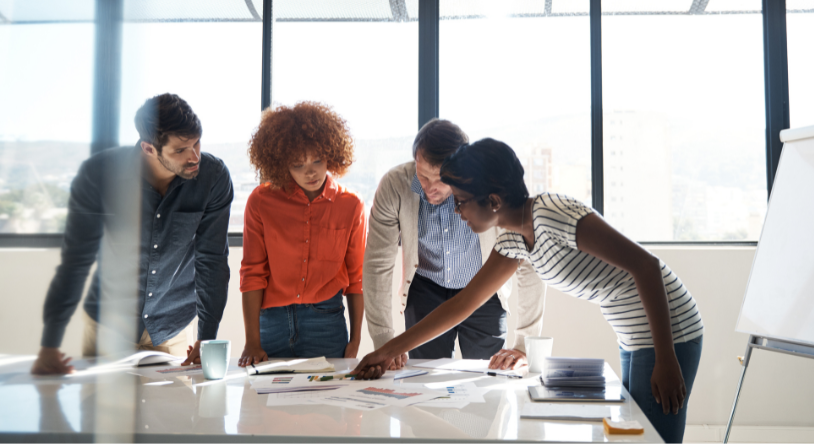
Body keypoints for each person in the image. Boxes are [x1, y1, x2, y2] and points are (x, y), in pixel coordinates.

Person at [354, 138, 703, 443]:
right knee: (635, 434)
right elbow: (464, 303)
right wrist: (388, 350)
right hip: (634, 334)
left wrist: (666, 356)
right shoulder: (513, 236)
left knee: (653, 439)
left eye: (460, 201)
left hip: (668, 331)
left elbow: (646, 266)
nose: (456, 211)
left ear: (492, 200)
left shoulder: (554, 215)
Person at [32, 93, 234, 375]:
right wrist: (50, 345)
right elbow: (76, 260)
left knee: (176, 416)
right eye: (181, 150)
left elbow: (212, 261)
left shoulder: (213, 177)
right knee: (102, 419)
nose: (194, 156)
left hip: (172, 329)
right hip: (108, 328)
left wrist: (207, 337)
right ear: (148, 149)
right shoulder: (99, 174)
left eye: (197, 143)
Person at [363, 119, 546, 369]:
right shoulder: (395, 185)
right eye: (422, 175)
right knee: (422, 381)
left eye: (439, 179)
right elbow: (377, 265)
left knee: (487, 383)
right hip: (425, 289)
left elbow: (528, 263)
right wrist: (384, 339)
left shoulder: (490, 192)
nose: (429, 188)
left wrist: (524, 343)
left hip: (483, 290)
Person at [237, 101, 366, 366]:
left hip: (326, 323)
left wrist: (355, 338)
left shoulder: (350, 205)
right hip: (271, 322)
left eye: (317, 160)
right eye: (298, 164)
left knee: (328, 404)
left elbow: (357, 278)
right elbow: (252, 272)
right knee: (265, 405)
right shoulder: (261, 201)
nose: (310, 172)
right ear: (281, 164)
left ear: (331, 153)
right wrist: (252, 341)